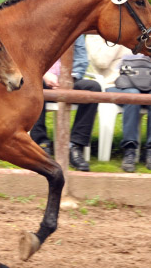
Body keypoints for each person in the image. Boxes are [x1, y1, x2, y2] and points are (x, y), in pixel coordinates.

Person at [87, 35, 151, 172]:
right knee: (132, 95)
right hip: (113, 83)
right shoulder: (94, 36)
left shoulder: (131, 30)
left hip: (143, 82)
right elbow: (101, 62)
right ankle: (130, 149)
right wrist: (118, 38)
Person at [30, 34, 100, 171]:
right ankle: (41, 143)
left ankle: (75, 146)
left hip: (69, 79)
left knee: (93, 88)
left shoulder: (76, 31)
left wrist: (69, 79)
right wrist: (44, 75)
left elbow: (81, 60)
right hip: (42, 77)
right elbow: (29, 58)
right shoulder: (40, 24)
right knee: (35, 85)